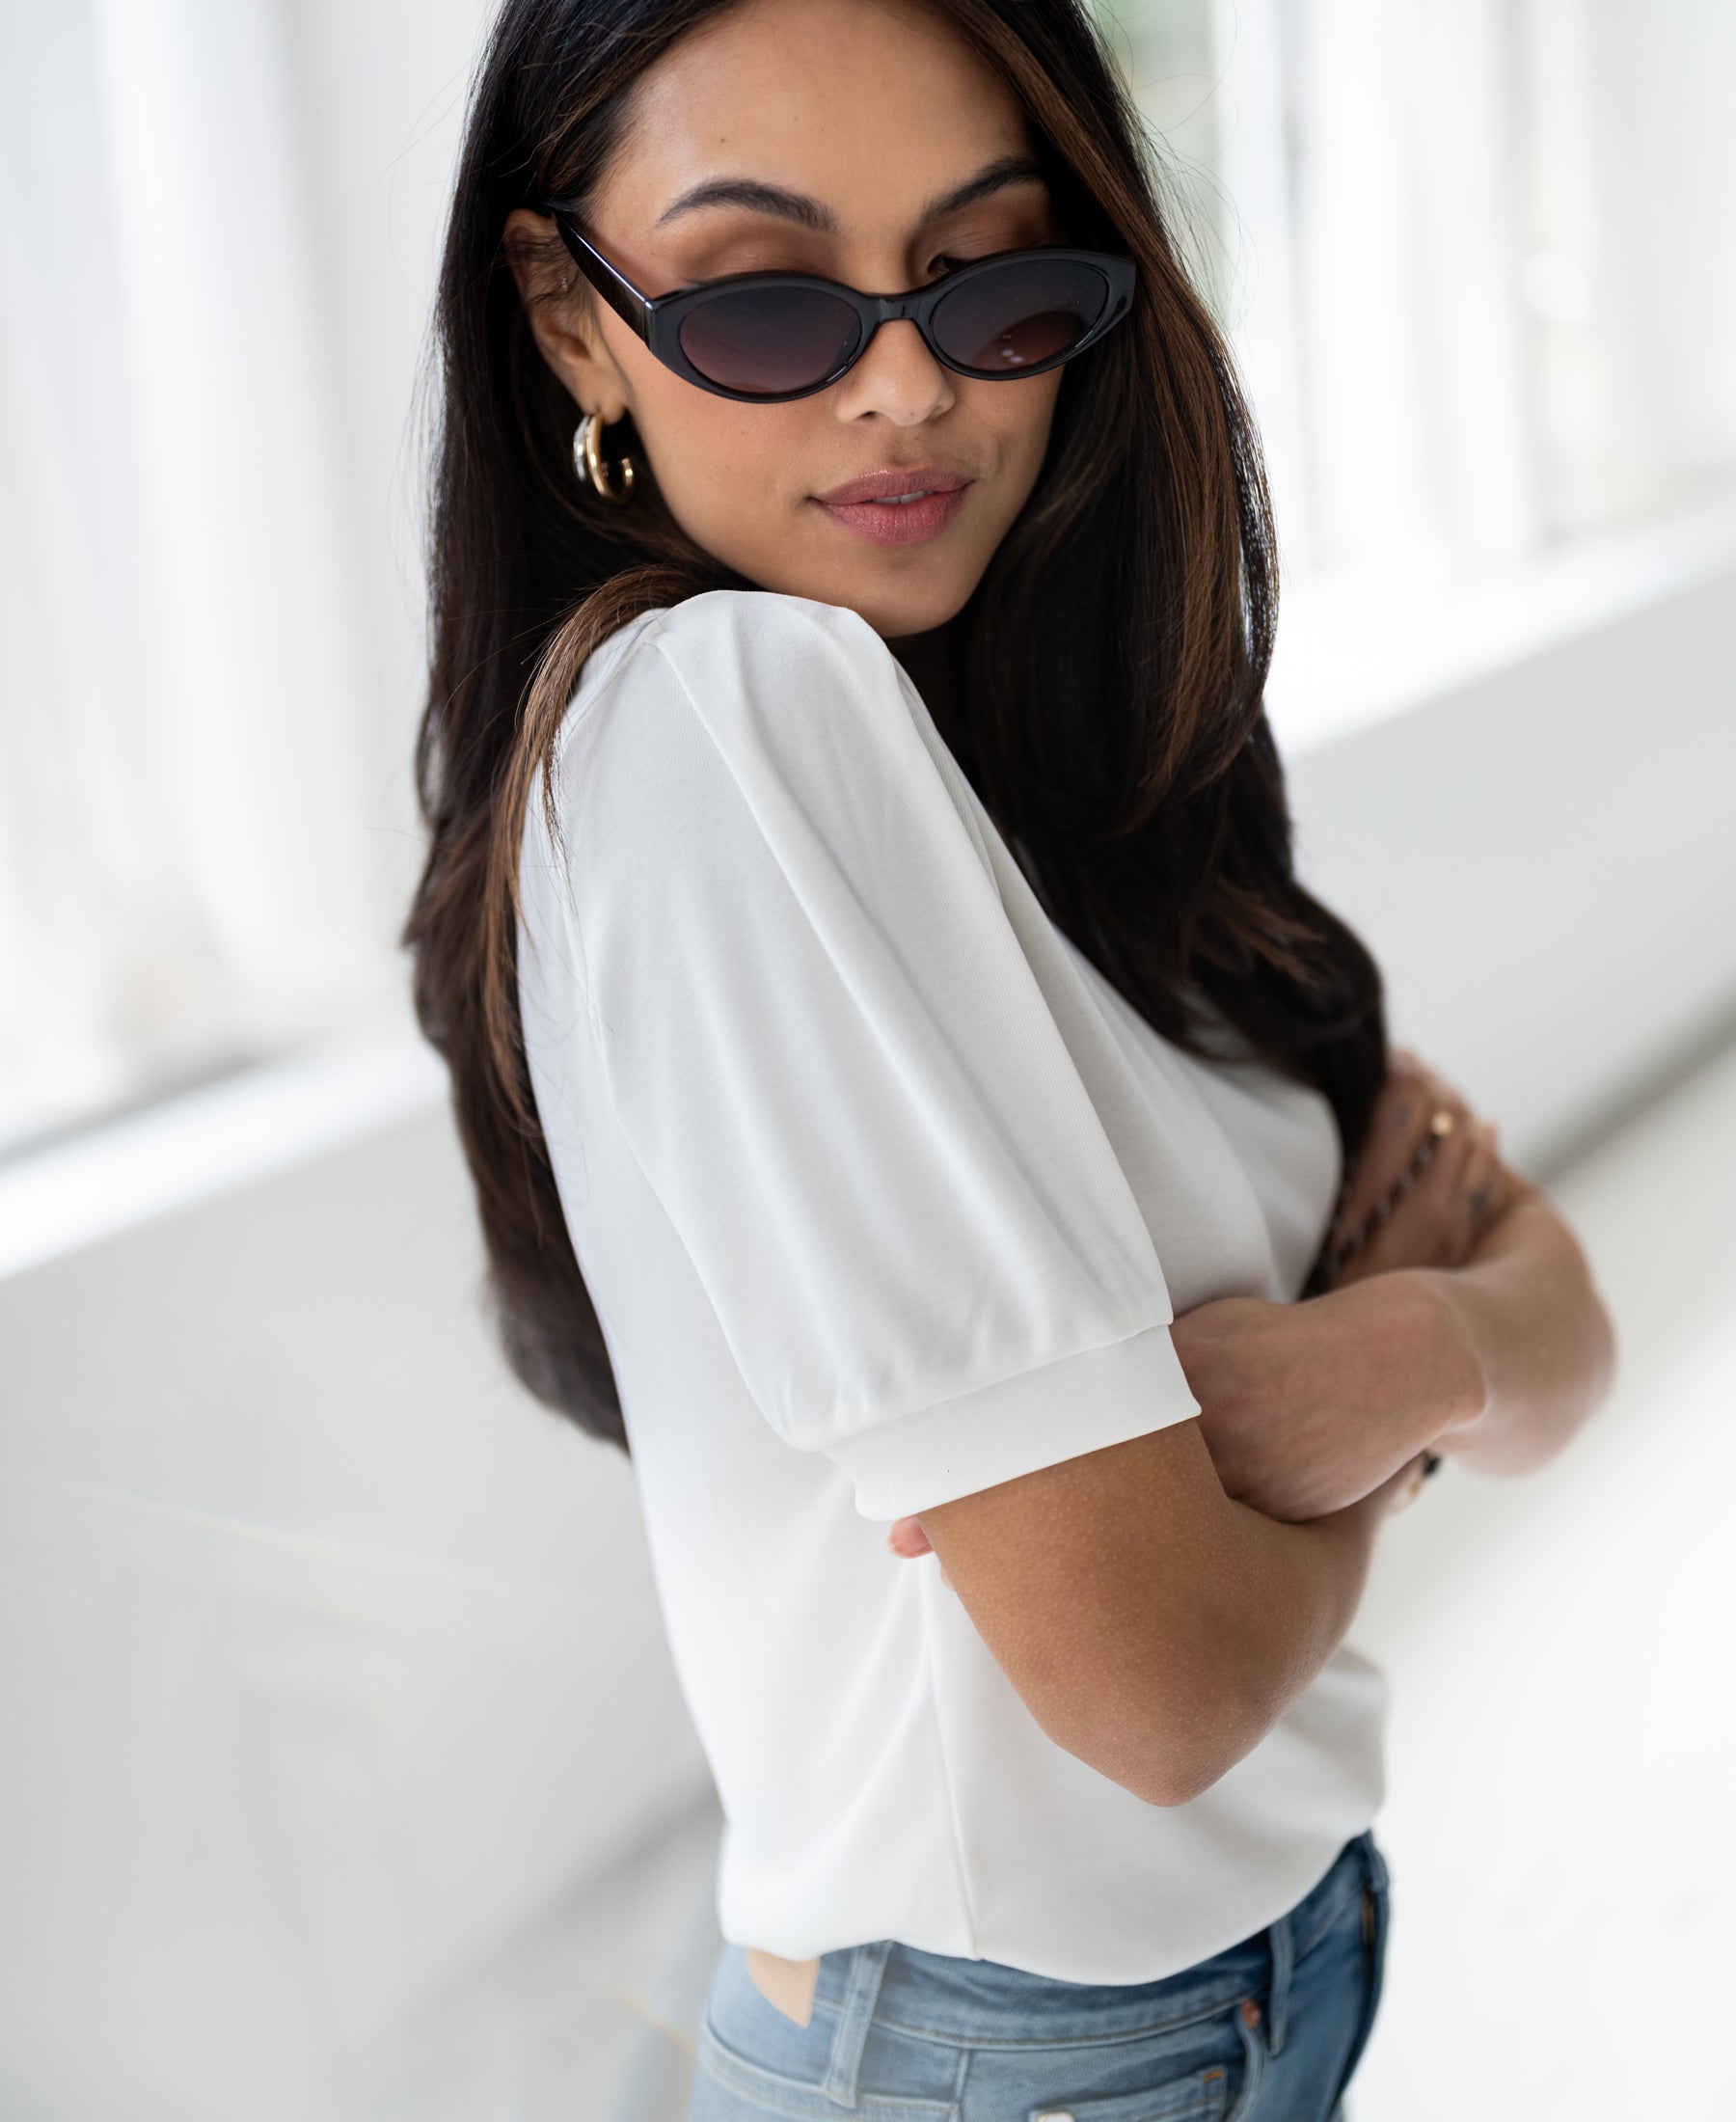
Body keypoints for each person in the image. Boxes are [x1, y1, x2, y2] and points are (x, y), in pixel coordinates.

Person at [401, 0, 1618, 2113]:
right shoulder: (726, 721)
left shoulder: (1016, 752)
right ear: (569, 317)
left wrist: (1374, 1362)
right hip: (1018, 2049)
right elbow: (1155, 1687)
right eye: (763, 299)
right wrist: (1427, 1389)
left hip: (1249, 1969)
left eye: (995, 277)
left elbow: (1564, 1312)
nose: (909, 383)